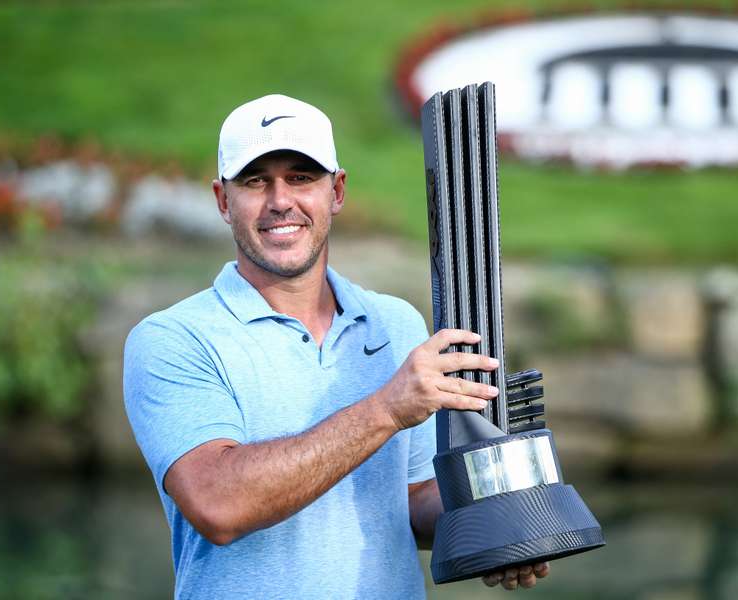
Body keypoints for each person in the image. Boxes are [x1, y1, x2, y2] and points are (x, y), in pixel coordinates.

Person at [123, 94, 549, 598]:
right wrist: (387, 409)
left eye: (301, 177)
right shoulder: (173, 339)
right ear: (222, 200)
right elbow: (218, 504)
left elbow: (408, 502)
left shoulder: (395, 323)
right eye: (256, 180)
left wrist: (497, 522)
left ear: (337, 190)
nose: (280, 200)